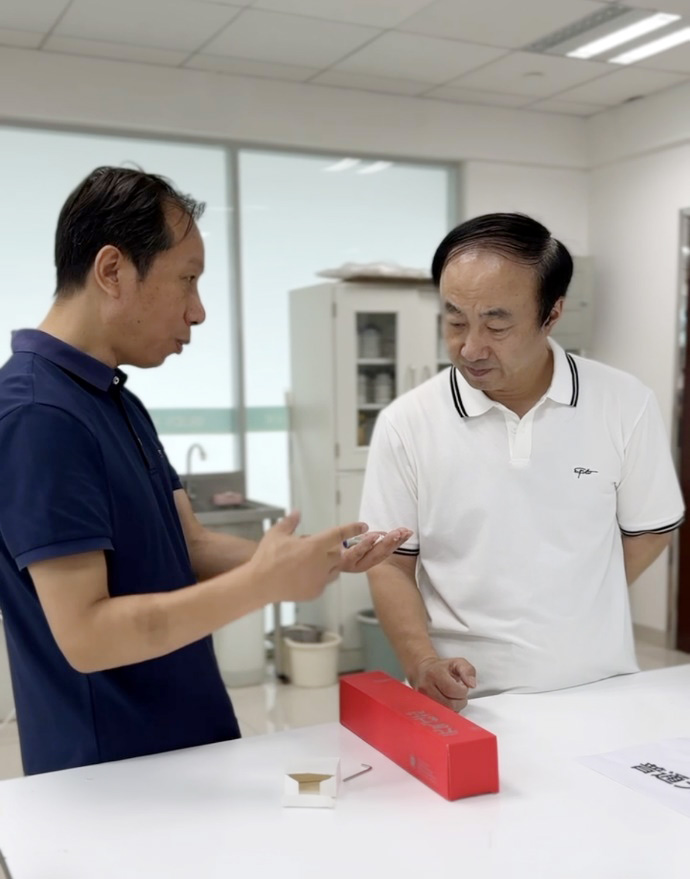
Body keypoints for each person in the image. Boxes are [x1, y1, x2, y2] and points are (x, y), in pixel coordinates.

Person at [0, 166, 411, 775]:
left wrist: (311, 558)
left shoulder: (113, 398)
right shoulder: (39, 414)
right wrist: (263, 585)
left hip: (185, 740)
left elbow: (188, 545)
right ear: (112, 271)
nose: (198, 312)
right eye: (187, 280)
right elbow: (86, 636)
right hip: (111, 772)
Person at [361, 212, 684, 711]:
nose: (470, 347)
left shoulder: (624, 402)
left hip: (598, 687)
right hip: (465, 697)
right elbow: (390, 563)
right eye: (455, 320)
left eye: (497, 323)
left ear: (552, 314)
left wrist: (573, 605)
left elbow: (650, 530)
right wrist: (422, 662)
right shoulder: (408, 422)